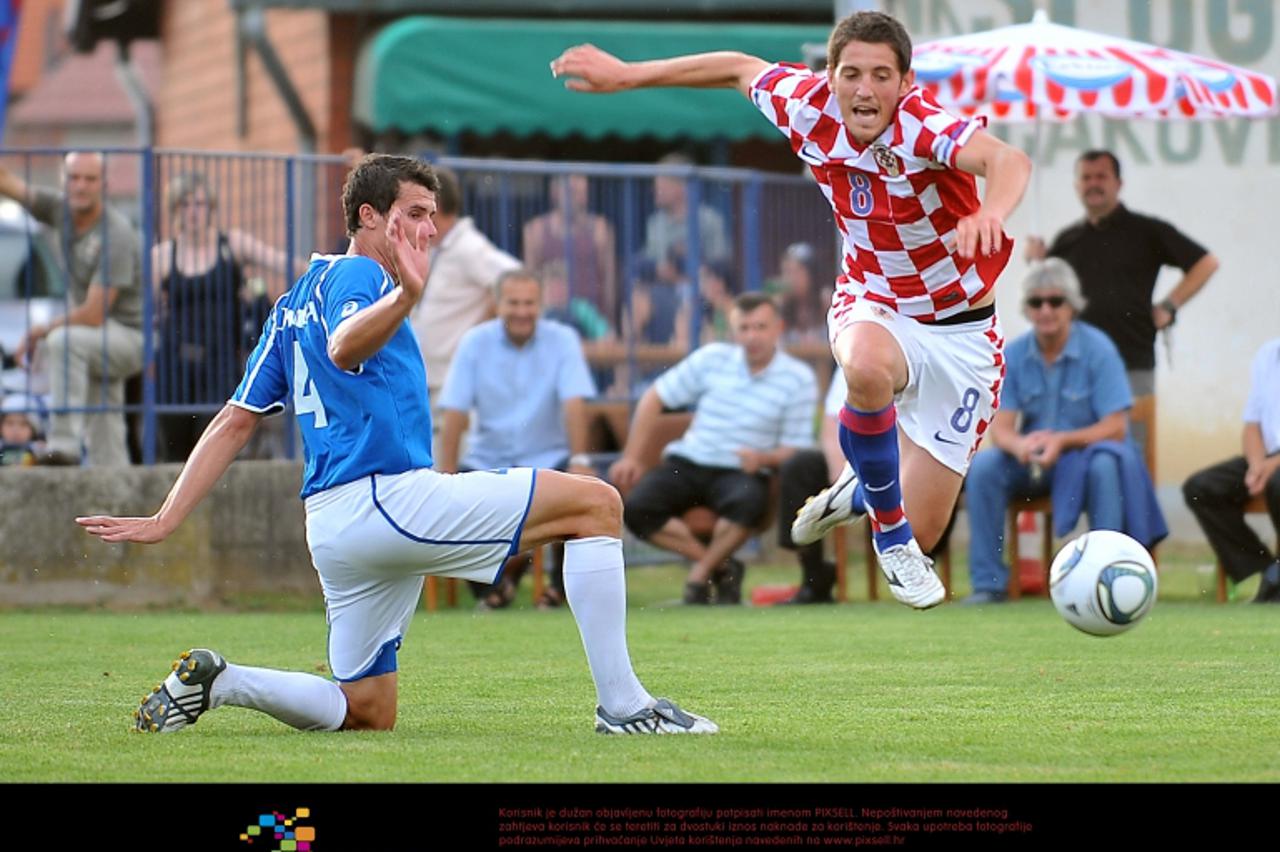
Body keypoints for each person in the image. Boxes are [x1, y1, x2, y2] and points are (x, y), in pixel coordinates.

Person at [76, 154, 716, 736]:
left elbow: (234, 421)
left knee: (366, 711)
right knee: (597, 503)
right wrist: (409, 294)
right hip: (386, 501)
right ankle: (626, 708)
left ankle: (223, 680)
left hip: (332, 526)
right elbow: (345, 344)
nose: (429, 229)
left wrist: (167, 518)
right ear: (369, 217)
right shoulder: (364, 276)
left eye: (433, 216)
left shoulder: (292, 301)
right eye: (414, 214)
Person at [554, 9, 1032, 609]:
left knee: (928, 522)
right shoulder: (806, 104)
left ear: (906, 84)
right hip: (875, 300)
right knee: (864, 368)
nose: (865, 89)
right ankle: (892, 538)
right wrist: (628, 76)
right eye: (851, 72)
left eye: (882, 75)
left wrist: (992, 212)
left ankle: (860, 492)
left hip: (962, 336)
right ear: (828, 75)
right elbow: (734, 68)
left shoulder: (922, 126)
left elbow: (1009, 161)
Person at [962, 259, 1166, 605]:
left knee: (1105, 465)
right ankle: (989, 584)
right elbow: (1003, 431)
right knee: (985, 467)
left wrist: (1062, 440)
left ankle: (1108, 574)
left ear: (1072, 305)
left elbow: (1116, 428)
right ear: (1026, 309)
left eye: (1055, 301)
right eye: (1036, 302)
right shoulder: (1013, 353)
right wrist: (1022, 445)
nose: (1046, 310)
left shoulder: (1099, 350)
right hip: (1037, 461)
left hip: (1086, 458)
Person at [609, 293, 818, 605]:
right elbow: (654, 397)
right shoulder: (711, 358)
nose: (752, 336)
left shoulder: (798, 379)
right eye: (744, 328)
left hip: (742, 470)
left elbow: (796, 448)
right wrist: (632, 456)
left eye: (760, 327)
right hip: (690, 459)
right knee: (637, 508)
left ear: (779, 328)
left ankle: (698, 576)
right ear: (733, 332)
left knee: (749, 502)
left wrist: (764, 458)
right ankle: (719, 568)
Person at [435, 267, 599, 610]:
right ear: (497, 304)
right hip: (487, 458)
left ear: (541, 304)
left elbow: (574, 405)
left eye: (530, 303)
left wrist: (581, 459)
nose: (522, 311)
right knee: (459, 502)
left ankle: (559, 591)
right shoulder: (474, 342)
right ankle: (494, 586)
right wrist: (446, 471)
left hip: (548, 457)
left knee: (580, 492)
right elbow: (455, 412)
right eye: (514, 303)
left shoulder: (563, 339)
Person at [1025, 149, 1219, 398]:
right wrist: (1038, 261)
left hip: (1131, 358)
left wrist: (1169, 305)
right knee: (1078, 436)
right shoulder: (1067, 239)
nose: (1093, 184)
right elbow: (1048, 295)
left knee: (1133, 435)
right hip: (1075, 363)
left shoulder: (1147, 231)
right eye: (1086, 178)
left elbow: (1206, 263)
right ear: (1077, 185)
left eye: (1101, 176)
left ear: (1119, 183)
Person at [0, 152, 144, 466]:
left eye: (90, 179)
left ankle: (63, 443)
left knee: (64, 342)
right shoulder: (60, 210)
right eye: (74, 178)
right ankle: (115, 488)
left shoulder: (116, 234)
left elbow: (94, 313)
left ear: (104, 185)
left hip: (129, 336)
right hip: (96, 336)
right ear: (63, 181)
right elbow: (10, 184)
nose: (81, 186)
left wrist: (41, 329)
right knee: (105, 417)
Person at [151, 171, 297, 461]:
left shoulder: (232, 244)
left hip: (220, 361)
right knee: (174, 448)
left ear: (211, 208)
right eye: (185, 205)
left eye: (200, 204)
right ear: (175, 210)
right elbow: (148, 311)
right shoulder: (164, 255)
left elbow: (283, 262)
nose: (193, 212)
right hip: (176, 364)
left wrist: (327, 271)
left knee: (215, 443)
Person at [409, 165, 520, 408]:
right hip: (432, 375)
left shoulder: (467, 247)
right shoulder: (442, 246)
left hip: (452, 379)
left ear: (434, 209)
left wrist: (481, 326)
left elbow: (515, 277)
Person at [1183, 337, 1280, 603]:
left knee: (1278, 483)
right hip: (1266, 455)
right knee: (1201, 489)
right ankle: (1269, 572)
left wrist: (1273, 465)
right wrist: (1257, 464)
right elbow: (1252, 424)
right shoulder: (1268, 354)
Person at [774, 366, 847, 604]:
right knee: (800, 466)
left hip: (910, 462)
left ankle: (921, 568)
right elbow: (832, 422)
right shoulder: (855, 355)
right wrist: (839, 473)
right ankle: (814, 576)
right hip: (853, 465)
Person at [522, 173, 618, 328]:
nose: (574, 198)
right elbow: (529, 277)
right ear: (554, 192)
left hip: (591, 321)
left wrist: (610, 321)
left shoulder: (601, 229)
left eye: (580, 192)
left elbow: (609, 280)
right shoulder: (535, 230)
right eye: (570, 191)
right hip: (548, 318)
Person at [765, 242, 830, 345]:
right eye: (786, 272)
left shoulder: (826, 301)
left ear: (812, 274)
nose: (790, 279)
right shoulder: (779, 304)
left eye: (795, 272)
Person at [0, 393, 44, 466]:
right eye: (10, 423)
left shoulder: (37, 450)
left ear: (33, 429)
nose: (16, 430)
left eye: (23, 424)